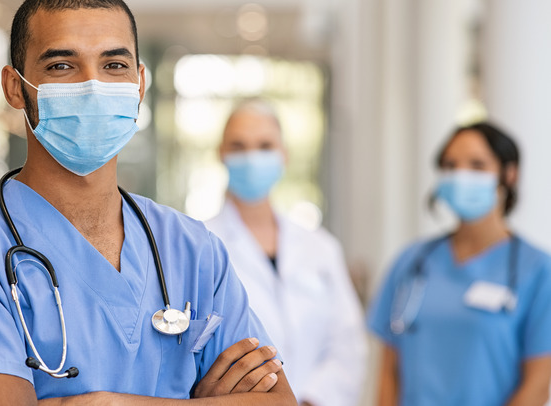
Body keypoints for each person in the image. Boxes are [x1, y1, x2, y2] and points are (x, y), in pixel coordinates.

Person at [0, 0, 296, 406]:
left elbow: (277, 401)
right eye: (61, 66)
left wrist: (109, 403)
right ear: (15, 88)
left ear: (140, 85)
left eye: (114, 66)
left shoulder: (191, 249)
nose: (93, 86)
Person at [368, 121, 551, 406]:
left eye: (477, 165)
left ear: (509, 174)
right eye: (450, 166)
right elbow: (388, 374)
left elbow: (538, 385)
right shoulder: (411, 262)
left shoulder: (537, 270)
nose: (461, 176)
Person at [205, 99, 366, 406]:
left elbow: (347, 343)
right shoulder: (200, 244)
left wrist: (309, 399)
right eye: (239, 146)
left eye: (265, 145)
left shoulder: (320, 248)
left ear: (284, 155)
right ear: (221, 154)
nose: (252, 157)